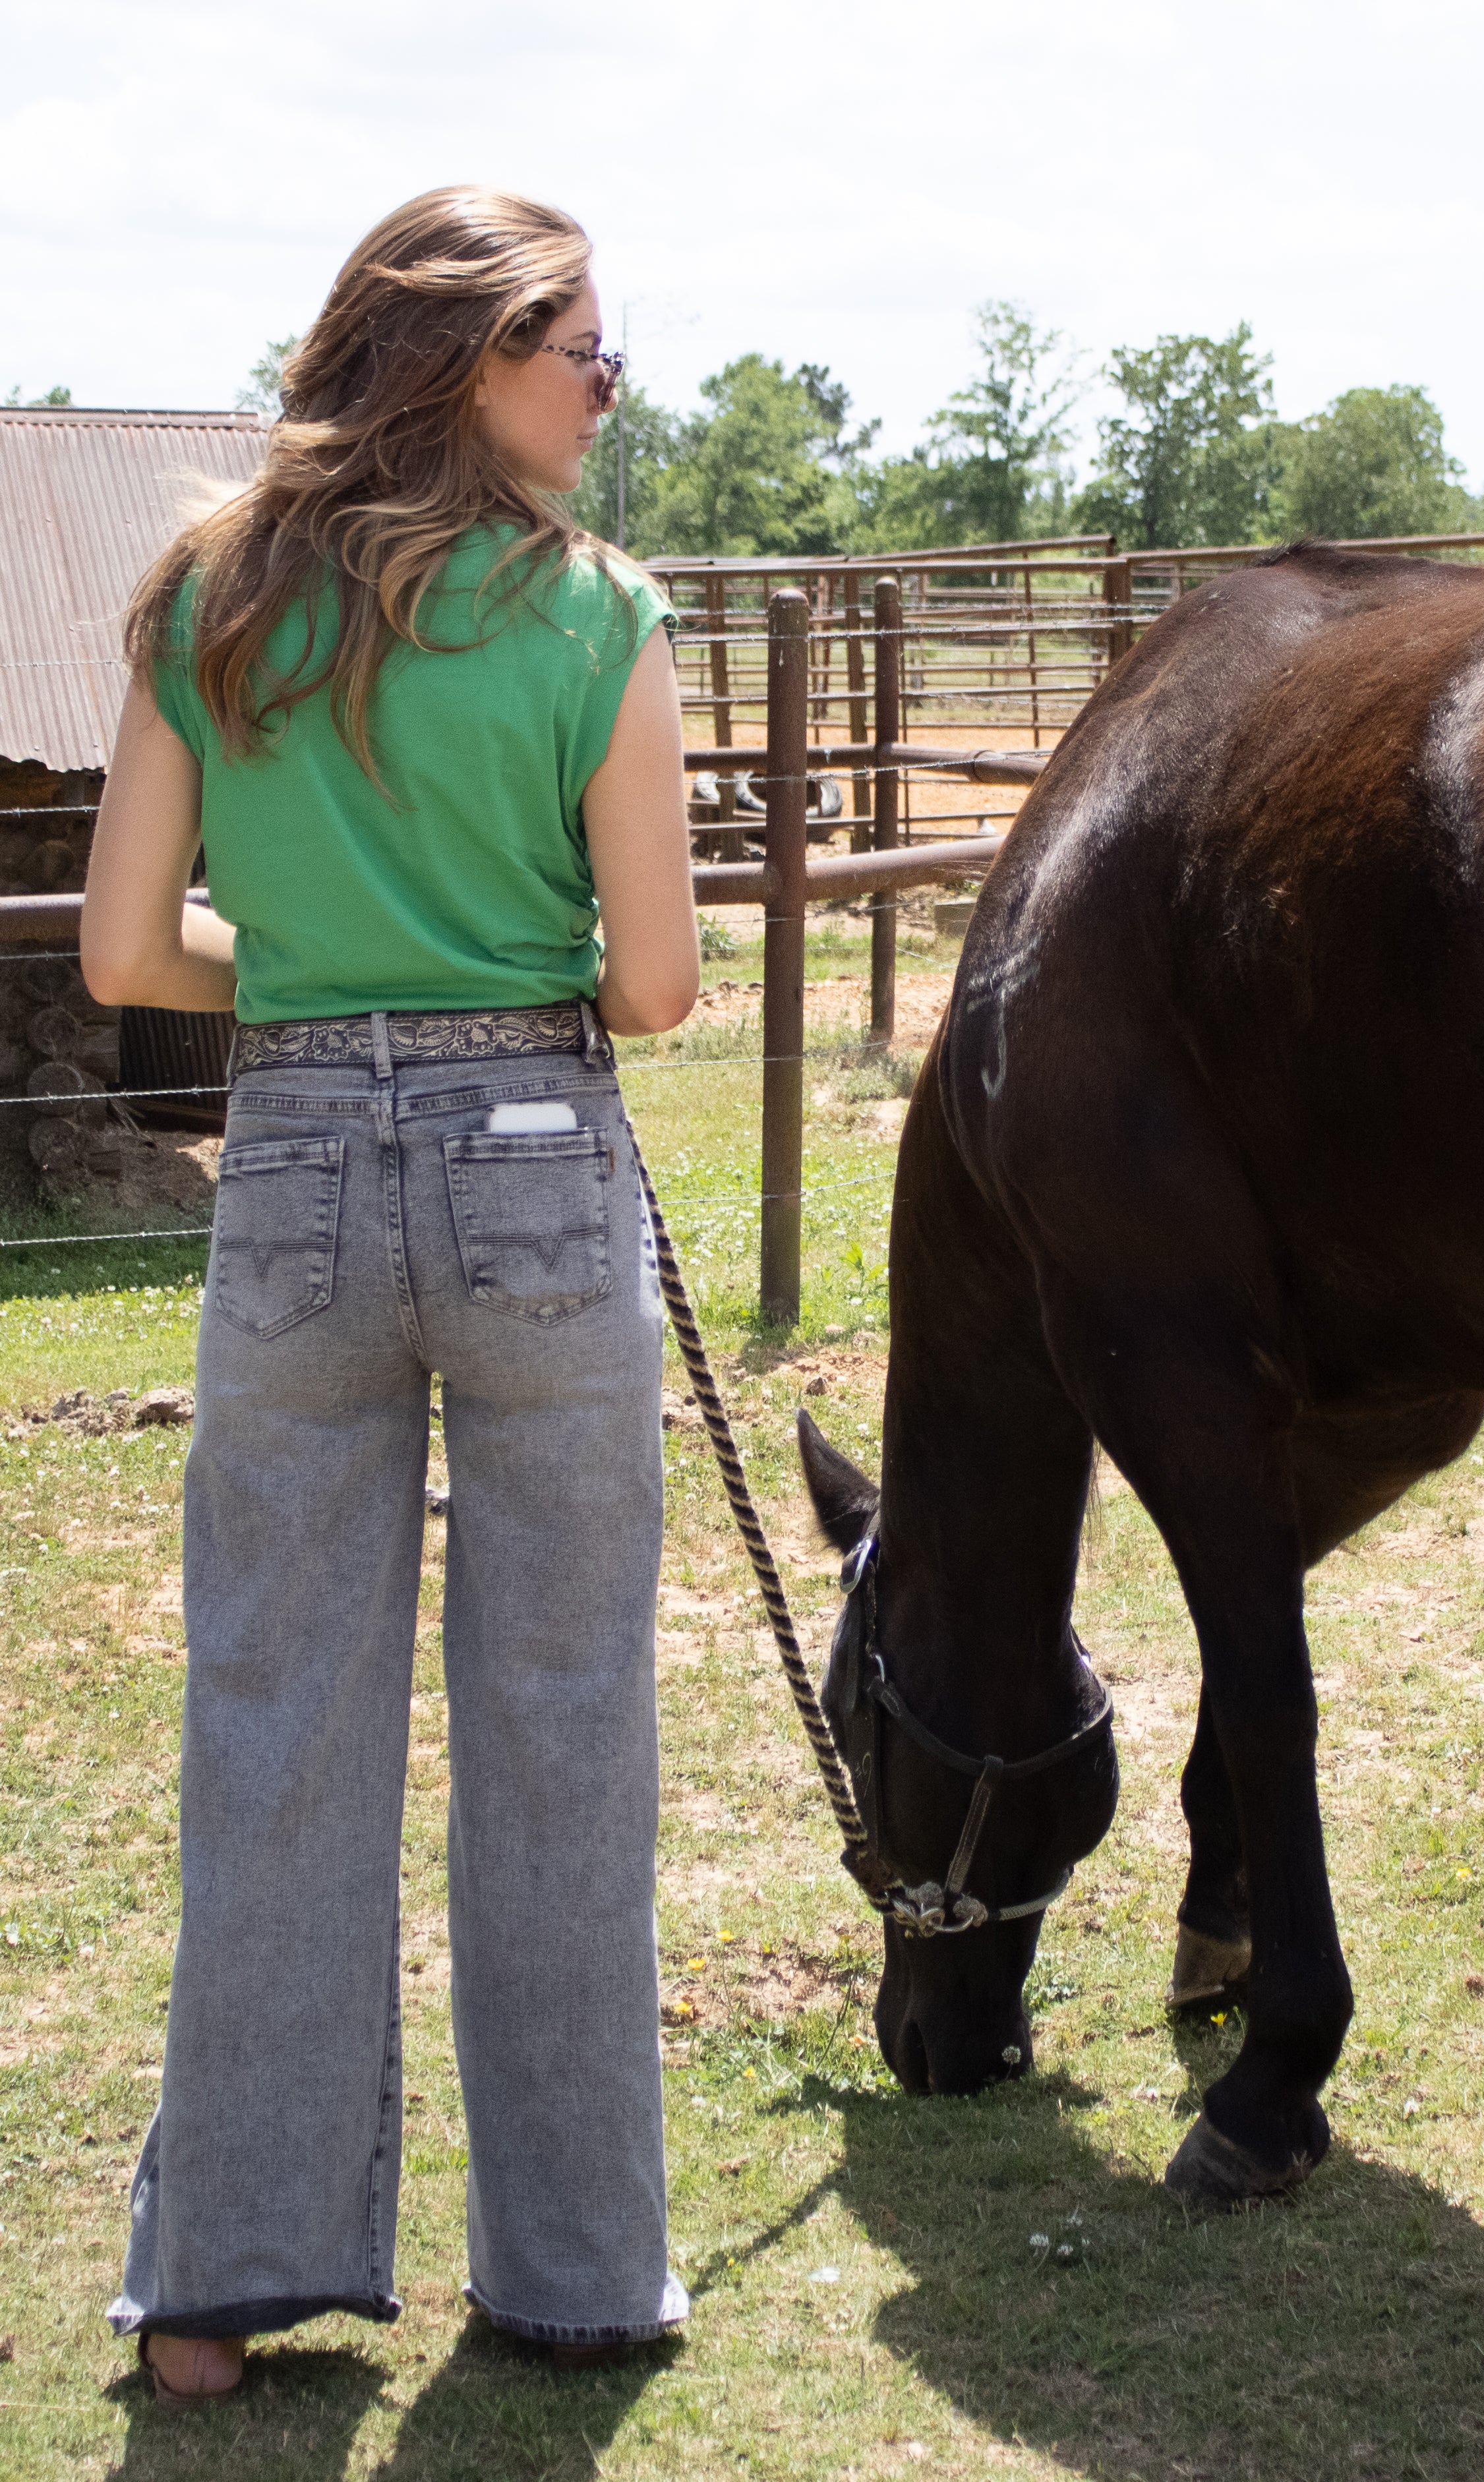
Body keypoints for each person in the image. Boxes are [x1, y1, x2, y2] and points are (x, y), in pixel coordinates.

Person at [80, 185, 699, 2407]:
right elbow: (650, 985)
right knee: (561, 1738)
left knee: (273, 1724)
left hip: (299, 1181)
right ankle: (574, 2278)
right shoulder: (596, 619)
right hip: (538, 1168)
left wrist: (326, 996)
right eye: (590, 353)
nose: (612, 393)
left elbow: (129, 955)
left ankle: (215, 2295)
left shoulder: (204, 599)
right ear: (470, 357)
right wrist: (466, 990)